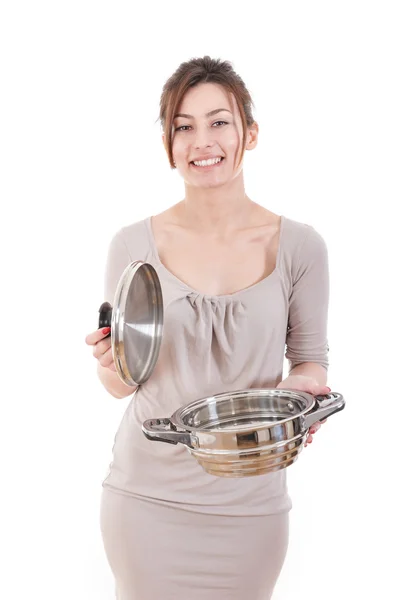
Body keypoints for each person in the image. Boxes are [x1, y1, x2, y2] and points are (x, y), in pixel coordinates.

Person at [85, 56, 331, 600]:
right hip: (147, 499)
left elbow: (311, 358)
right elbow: (123, 383)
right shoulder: (132, 245)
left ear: (250, 132)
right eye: (183, 127)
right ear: (169, 145)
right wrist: (111, 365)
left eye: (219, 122)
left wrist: (302, 390)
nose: (203, 141)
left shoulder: (300, 247)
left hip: (252, 503)